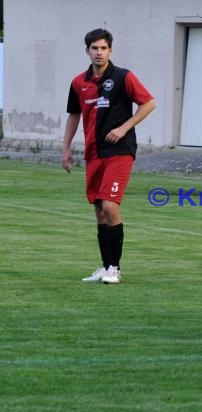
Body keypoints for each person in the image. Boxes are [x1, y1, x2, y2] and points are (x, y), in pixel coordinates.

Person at [61, 28, 155, 284]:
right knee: (99, 211)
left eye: (103, 48)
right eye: (94, 48)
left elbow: (148, 103)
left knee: (110, 205)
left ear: (110, 50)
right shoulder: (79, 82)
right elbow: (74, 115)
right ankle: (105, 267)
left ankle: (115, 267)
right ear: (87, 50)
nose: (99, 52)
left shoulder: (123, 77)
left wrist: (124, 127)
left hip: (120, 152)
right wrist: (66, 148)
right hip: (94, 153)